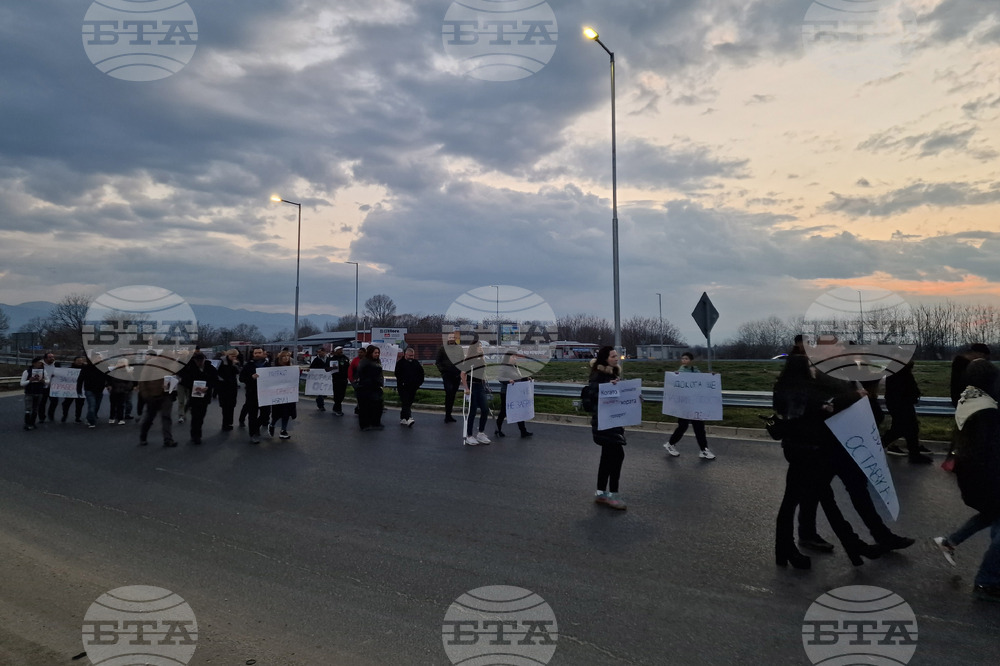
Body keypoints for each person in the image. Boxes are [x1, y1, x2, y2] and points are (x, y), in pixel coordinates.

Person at [772, 354, 884, 568]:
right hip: (808, 451)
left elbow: (799, 412)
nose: (814, 369)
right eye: (811, 366)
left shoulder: (783, 387)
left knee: (819, 501)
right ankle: (789, 550)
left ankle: (854, 547)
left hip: (797, 449)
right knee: (793, 503)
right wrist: (852, 397)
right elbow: (820, 409)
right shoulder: (803, 389)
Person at [933, 358, 1000, 602]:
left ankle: (950, 542)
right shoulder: (987, 411)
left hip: (971, 476)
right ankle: (988, 579)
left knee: (990, 516)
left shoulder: (969, 399)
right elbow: (989, 450)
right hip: (986, 477)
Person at [589, 346, 627, 510]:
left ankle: (601, 493)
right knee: (617, 455)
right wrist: (607, 389)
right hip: (604, 423)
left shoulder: (612, 375)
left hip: (612, 421)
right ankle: (613, 495)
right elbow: (593, 394)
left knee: (607, 458)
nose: (616, 358)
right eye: (613, 356)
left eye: (616, 355)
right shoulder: (599, 376)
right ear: (605, 358)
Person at [663, 352, 716, 460]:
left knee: (699, 427)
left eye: (686, 359)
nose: (684, 360)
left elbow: (703, 380)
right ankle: (670, 444)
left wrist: (712, 376)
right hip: (684, 404)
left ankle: (704, 449)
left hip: (695, 403)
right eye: (682, 359)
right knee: (683, 426)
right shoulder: (680, 372)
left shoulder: (695, 370)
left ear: (691, 360)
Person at [882, 361, 933, 464]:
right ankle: (914, 454)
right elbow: (903, 388)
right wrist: (912, 396)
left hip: (900, 403)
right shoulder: (899, 370)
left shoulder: (897, 369)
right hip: (901, 404)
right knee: (904, 429)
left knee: (908, 429)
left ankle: (914, 454)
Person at [177, 351, 220, 445]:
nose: (199, 362)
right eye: (197, 361)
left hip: (205, 396)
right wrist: (192, 385)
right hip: (194, 396)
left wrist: (208, 387)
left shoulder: (210, 368)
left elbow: (215, 380)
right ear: (194, 360)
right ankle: (196, 435)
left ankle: (196, 433)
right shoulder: (190, 368)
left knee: (201, 416)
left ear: (204, 359)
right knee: (195, 416)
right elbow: (184, 380)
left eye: (201, 360)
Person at [137, 353, 177, 448]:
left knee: (166, 416)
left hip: (167, 395)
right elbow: (142, 380)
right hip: (152, 395)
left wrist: (173, 385)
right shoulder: (151, 363)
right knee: (149, 418)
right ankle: (143, 436)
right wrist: (146, 396)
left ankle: (168, 439)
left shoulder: (174, 364)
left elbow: (176, 377)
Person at [460, 340, 491, 446]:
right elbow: (463, 374)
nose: (481, 348)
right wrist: (466, 388)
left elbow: (482, 374)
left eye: (481, 346)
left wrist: (485, 384)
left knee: (485, 409)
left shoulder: (482, 359)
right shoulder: (469, 360)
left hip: (480, 386)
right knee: (472, 411)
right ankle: (469, 435)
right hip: (472, 386)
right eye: (479, 346)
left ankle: (481, 433)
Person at [495, 351, 532, 438]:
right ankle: (498, 429)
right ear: (508, 358)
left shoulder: (515, 367)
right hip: (506, 392)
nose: (515, 358)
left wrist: (526, 378)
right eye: (513, 357)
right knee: (504, 412)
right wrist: (508, 380)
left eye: (516, 357)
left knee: (519, 410)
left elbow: (518, 377)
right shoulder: (504, 366)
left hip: (516, 391)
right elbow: (499, 378)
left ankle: (523, 431)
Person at [239, 347, 270, 444]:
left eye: (259, 352)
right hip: (252, 394)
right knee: (252, 415)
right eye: (256, 353)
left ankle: (255, 427)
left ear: (263, 353)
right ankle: (253, 434)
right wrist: (251, 377)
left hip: (265, 393)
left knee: (266, 414)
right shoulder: (248, 365)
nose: (257, 354)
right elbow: (241, 378)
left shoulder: (268, 365)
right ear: (253, 354)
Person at [269, 351, 297, 439]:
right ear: (280, 358)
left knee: (287, 413)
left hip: (289, 394)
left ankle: (283, 430)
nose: (286, 358)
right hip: (278, 394)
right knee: (278, 413)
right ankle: (272, 425)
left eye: (288, 356)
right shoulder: (275, 368)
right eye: (284, 356)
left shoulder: (292, 368)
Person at [356, 345, 385, 431]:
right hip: (366, 388)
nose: (377, 354)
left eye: (378, 353)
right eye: (375, 353)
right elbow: (363, 375)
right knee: (365, 407)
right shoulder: (365, 362)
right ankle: (365, 425)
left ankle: (375, 423)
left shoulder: (376, 362)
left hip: (375, 388)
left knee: (377, 406)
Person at [77, 355, 109, 429]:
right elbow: (80, 379)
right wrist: (78, 390)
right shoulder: (86, 368)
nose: (100, 359)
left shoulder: (103, 367)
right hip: (89, 390)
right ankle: (91, 421)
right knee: (92, 406)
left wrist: (108, 385)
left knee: (96, 406)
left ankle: (90, 417)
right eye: (98, 358)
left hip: (99, 390)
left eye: (101, 358)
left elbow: (107, 377)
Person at [395, 347, 424, 426]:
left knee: (409, 402)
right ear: (405, 355)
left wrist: (419, 383)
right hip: (403, 387)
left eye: (413, 356)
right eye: (410, 355)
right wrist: (403, 382)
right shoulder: (400, 363)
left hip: (413, 387)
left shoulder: (415, 363)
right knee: (405, 401)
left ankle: (403, 417)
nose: (411, 357)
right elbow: (397, 374)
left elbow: (421, 373)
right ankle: (409, 418)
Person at [436, 341, 462, 423]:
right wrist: (443, 371)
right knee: (449, 392)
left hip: (456, 375)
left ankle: (449, 414)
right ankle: (447, 415)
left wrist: (460, 371)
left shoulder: (459, 348)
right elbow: (438, 361)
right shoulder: (442, 348)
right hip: (447, 375)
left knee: (453, 394)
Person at [20, 356, 48, 430]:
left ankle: (33, 423)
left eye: (41, 363)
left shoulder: (43, 371)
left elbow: (48, 381)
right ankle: (27, 423)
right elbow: (22, 383)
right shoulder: (27, 372)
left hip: (39, 391)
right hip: (29, 392)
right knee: (28, 408)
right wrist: (29, 381)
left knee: (36, 408)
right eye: (39, 363)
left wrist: (43, 381)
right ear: (34, 363)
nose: (40, 364)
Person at [216, 349, 241, 431]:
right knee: (225, 406)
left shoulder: (235, 362)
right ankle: (225, 424)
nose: (234, 358)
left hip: (232, 386)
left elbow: (238, 372)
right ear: (228, 355)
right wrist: (221, 380)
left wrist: (235, 365)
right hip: (223, 386)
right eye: (232, 356)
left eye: (235, 356)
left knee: (232, 405)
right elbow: (217, 372)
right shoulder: (221, 361)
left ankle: (229, 422)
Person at [60, 356, 87, 423]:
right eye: (78, 360)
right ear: (74, 361)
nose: (80, 361)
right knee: (66, 404)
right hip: (70, 390)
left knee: (79, 405)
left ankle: (78, 417)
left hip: (81, 389)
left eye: (81, 360)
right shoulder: (69, 369)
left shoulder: (86, 369)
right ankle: (65, 415)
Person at [107, 359, 135, 425]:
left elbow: (131, 381)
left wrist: (127, 388)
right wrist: (108, 385)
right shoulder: (113, 371)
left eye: (122, 362)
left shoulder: (129, 371)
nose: (121, 364)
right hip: (114, 390)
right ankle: (112, 417)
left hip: (123, 391)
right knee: (113, 405)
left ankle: (120, 419)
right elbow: (108, 379)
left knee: (121, 405)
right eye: (119, 362)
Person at [38, 352, 59, 423]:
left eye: (53, 357)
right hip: (43, 387)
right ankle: (42, 417)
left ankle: (51, 414)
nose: (52, 358)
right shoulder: (40, 365)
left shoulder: (57, 364)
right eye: (50, 357)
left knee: (55, 402)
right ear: (45, 358)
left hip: (53, 387)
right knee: (42, 403)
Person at [330, 346, 350, 416]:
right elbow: (329, 368)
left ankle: (335, 408)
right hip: (336, 379)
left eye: (341, 350)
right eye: (339, 350)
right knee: (337, 394)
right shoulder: (333, 359)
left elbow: (348, 367)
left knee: (342, 394)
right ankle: (338, 409)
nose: (341, 351)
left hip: (344, 379)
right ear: (336, 351)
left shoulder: (345, 358)